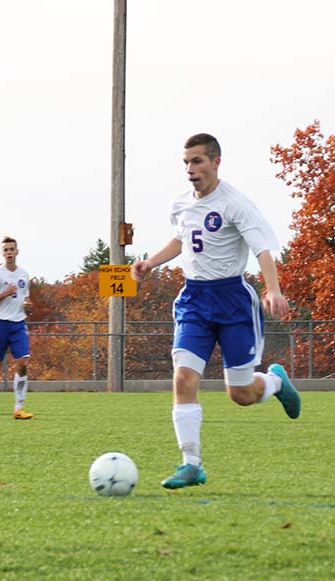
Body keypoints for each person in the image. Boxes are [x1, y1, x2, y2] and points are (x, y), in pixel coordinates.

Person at [132, 132, 301, 489]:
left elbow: (263, 249)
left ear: (215, 162)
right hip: (194, 300)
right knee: (183, 378)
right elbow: (181, 239)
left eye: (197, 161)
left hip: (233, 301)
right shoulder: (181, 204)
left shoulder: (235, 203)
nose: (190, 169)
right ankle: (191, 463)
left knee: (240, 395)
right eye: (186, 163)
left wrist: (272, 289)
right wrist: (151, 263)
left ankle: (274, 381)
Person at [0, 235, 33, 420]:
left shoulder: (24, 274)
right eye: (6, 250)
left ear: (17, 251)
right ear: (2, 253)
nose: (9, 253)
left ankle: (19, 408)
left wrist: (27, 305)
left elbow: (25, 298)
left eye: (12, 249)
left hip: (18, 323)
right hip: (0, 322)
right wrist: (5, 293)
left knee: (23, 363)